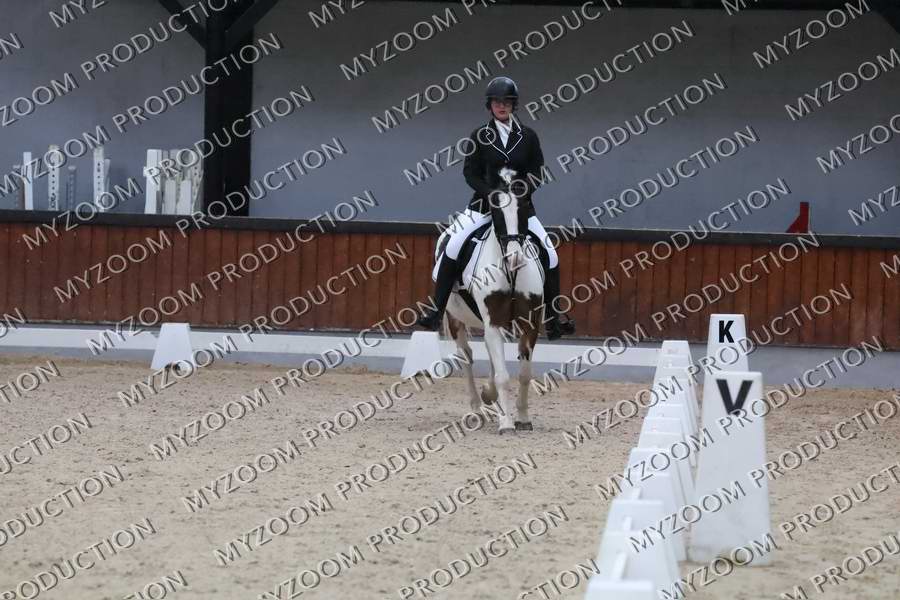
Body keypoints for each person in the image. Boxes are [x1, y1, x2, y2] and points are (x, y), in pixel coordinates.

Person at [416, 76, 575, 340]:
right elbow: (470, 173)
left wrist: (520, 193)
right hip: (482, 207)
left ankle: (553, 317)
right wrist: (491, 194)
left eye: (507, 102)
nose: (502, 106)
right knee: (453, 246)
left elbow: (537, 172)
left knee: (550, 253)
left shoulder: (528, 136)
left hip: (520, 210)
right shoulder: (480, 135)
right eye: (497, 102)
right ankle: (436, 311)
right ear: (490, 105)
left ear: (513, 105)